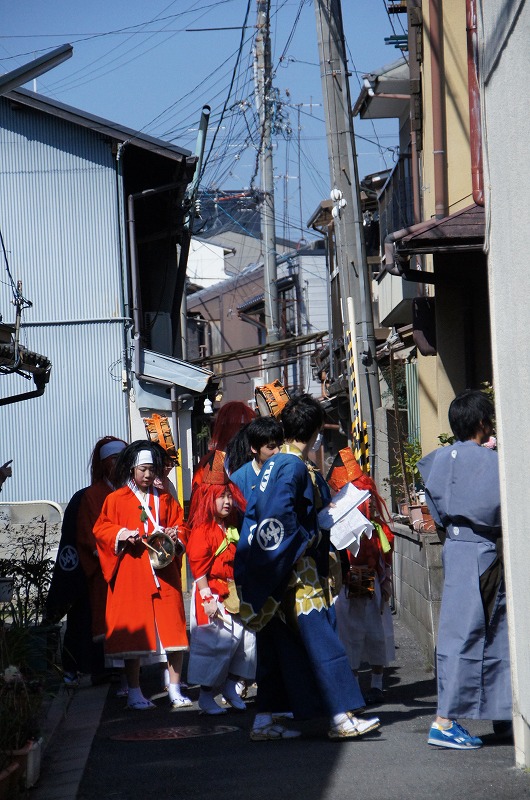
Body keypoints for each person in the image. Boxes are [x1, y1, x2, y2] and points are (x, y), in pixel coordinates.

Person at [235, 393, 380, 741]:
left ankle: (264, 720)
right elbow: (281, 518)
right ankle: (341, 717)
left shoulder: (276, 463)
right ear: (315, 431)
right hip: (297, 571)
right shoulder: (293, 465)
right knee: (322, 641)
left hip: (275, 568)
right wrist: (312, 536)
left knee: (277, 646)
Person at [418, 388, 512, 749]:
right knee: (483, 630)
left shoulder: (439, 459)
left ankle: (502, 711)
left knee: (465, 632)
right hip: (482, 550)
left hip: (455, 547)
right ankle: (445, 721)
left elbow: (436, 513)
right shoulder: (491, 462)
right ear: (480, 422)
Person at [93, 440, 190, 711]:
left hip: (164, 572)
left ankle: (174, 687)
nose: (148, 475)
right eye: (143, 470)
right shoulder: (115, 499)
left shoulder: (166, 498)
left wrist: (175, 534)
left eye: (152, 470)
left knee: (173, 633)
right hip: (132, 572)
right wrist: (122, 534)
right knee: (134, 635)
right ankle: (135, 691)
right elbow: (101, 530)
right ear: (132, 469)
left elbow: (182, 527)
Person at [186, 450, 256, 715]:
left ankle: (231, 686)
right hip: (213, 594)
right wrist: (206, 600)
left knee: (246, 643)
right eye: (222, 496)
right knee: (215, 647)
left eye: (229, 495)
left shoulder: (232, 526)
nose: (227, 501)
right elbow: (198, 569)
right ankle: (206, 696)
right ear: (208, 498)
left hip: (234, 592)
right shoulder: (203, 531)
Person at [327, 447, 395, 705]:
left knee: (357, 629)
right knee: (364, 628)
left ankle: (366, 684)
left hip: (359, 573)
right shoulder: (363, 493)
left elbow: (381, 540)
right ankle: (367, 683)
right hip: (357, 573)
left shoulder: (354, 495)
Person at [193, 402, 256, 489]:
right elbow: (204, 495)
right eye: (239, 427)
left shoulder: (257, 459)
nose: (239, 434)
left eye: (243, 427)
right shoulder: (213, 460)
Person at [230, 416, 284, 497]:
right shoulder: (239, 480)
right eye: (271, 447)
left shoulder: (286, 472)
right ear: (254, 448)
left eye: (279, 446)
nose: (277, 451)